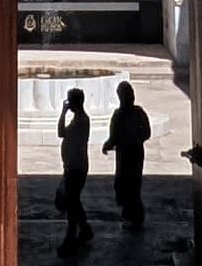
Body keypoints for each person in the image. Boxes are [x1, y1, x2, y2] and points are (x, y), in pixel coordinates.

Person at [103, 80, 151, 233]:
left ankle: (135, 217)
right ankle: (131, 215)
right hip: (127, 154)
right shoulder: (125, 114)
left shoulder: (129, 113)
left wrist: (130, 140)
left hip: (131, 154)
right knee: (126, 185)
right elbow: (114, 136)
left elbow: (145, 132)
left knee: (131, 186)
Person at [55, 87, 92, 256]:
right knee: (75, 201)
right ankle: (85, 229)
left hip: (75, 169)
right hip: (75, 167)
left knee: (72, 204)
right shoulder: (81, 119)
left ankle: (70, 241)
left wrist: (63, 112)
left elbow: (61, 132)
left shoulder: (80, 122)